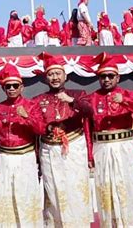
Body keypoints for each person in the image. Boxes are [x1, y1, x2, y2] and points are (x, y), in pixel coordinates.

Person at [32, 52, 94, 227]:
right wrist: (48, 128)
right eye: (51, 74)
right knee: (52, 190)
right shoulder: (39, 100)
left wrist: (72, 101)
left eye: (58, 73)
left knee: (74, 188)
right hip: (49, 150)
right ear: (46, 78)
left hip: (73, 148)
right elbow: (34, 124)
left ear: (65, 75)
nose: (55, 77)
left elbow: (89, 111)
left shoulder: (78, 93)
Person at [86, 52, 133, 227]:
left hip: (123, 146)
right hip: (101, 147)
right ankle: (109, 223)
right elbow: (88, 128)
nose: (106, 79)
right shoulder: (92, 97)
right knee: (105, 186)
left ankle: (130, 223)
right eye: (102, 76)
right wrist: (89, 155)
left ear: (117, 77)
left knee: (125, 184)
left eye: (110, 76)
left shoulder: (128, 93)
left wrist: (125, 100)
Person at [0, 63, 43, 228]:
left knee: (25, 195)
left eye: (14, 85)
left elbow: (41, 129)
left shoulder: (31, 105)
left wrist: (27, 117)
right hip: (4, 157)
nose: (11, 89)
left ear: (21, 87)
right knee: (5, 195)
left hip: (25, 157)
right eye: (7, 86)